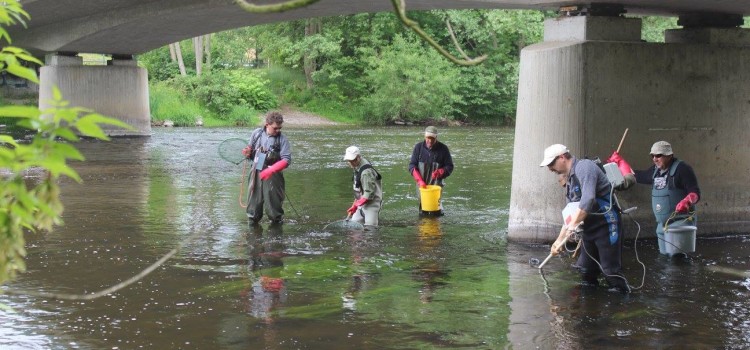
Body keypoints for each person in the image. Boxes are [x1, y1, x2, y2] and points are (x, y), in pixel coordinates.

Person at [541, 144, 630, 293]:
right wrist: (559, 241)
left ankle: (623, 303)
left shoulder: (584, 167)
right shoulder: (569, 181)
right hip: (590, 229)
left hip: (606, 225)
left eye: (551, 164)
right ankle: (590, 309)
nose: (550, 169)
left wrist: (572, 226)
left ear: (562, 157)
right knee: (586, 271)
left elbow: (588, 200)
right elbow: (570, 215)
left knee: (610, 271)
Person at [606, 141, 700, 255]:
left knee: (678, 260)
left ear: (669, 155)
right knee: (665, 259)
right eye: (653, 156)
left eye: (659, 155)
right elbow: (638, 176)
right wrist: (621, 164)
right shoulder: (655, 170)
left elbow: (695, 192)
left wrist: (687, 200)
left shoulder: (682, 169)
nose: (655, 159)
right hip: (662, 225)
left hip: (680, 224)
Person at [242, 111, 292, 225]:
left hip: (273, 175)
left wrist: (270, 170)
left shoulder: (282, 139)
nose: (278, 130)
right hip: (256, 172)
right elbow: (249, 150)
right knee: (253, 209)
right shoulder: (256, 134)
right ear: (267, 125)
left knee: (274, 210)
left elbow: (286, 160)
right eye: (275, 128)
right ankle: (253, 235)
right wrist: (247, 152)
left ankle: (276, 235)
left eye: (280, 128)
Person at [408, 126, 454, 216]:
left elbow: (450, 166)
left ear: (436, 138)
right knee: (423, 212)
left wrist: (440, 172)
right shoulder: (418, 148)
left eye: (432, 138)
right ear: (424, 137)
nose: (430, 141)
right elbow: (412, 166)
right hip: (422, 186)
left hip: (436, 186)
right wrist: (419, 180)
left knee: (436, 212)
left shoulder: (443, 149)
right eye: (428, 138)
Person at [343, 146, 383, 227]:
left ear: (358, 158)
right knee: (354, 227)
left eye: (352, 160)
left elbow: (369, 194)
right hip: (361, 202)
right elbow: (359, 189)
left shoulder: (366, 173)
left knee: (370, 230)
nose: (350, 163)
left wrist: (355, 205)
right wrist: (356, 204)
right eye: (349, 161)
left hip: (372, 204)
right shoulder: (357, 165)